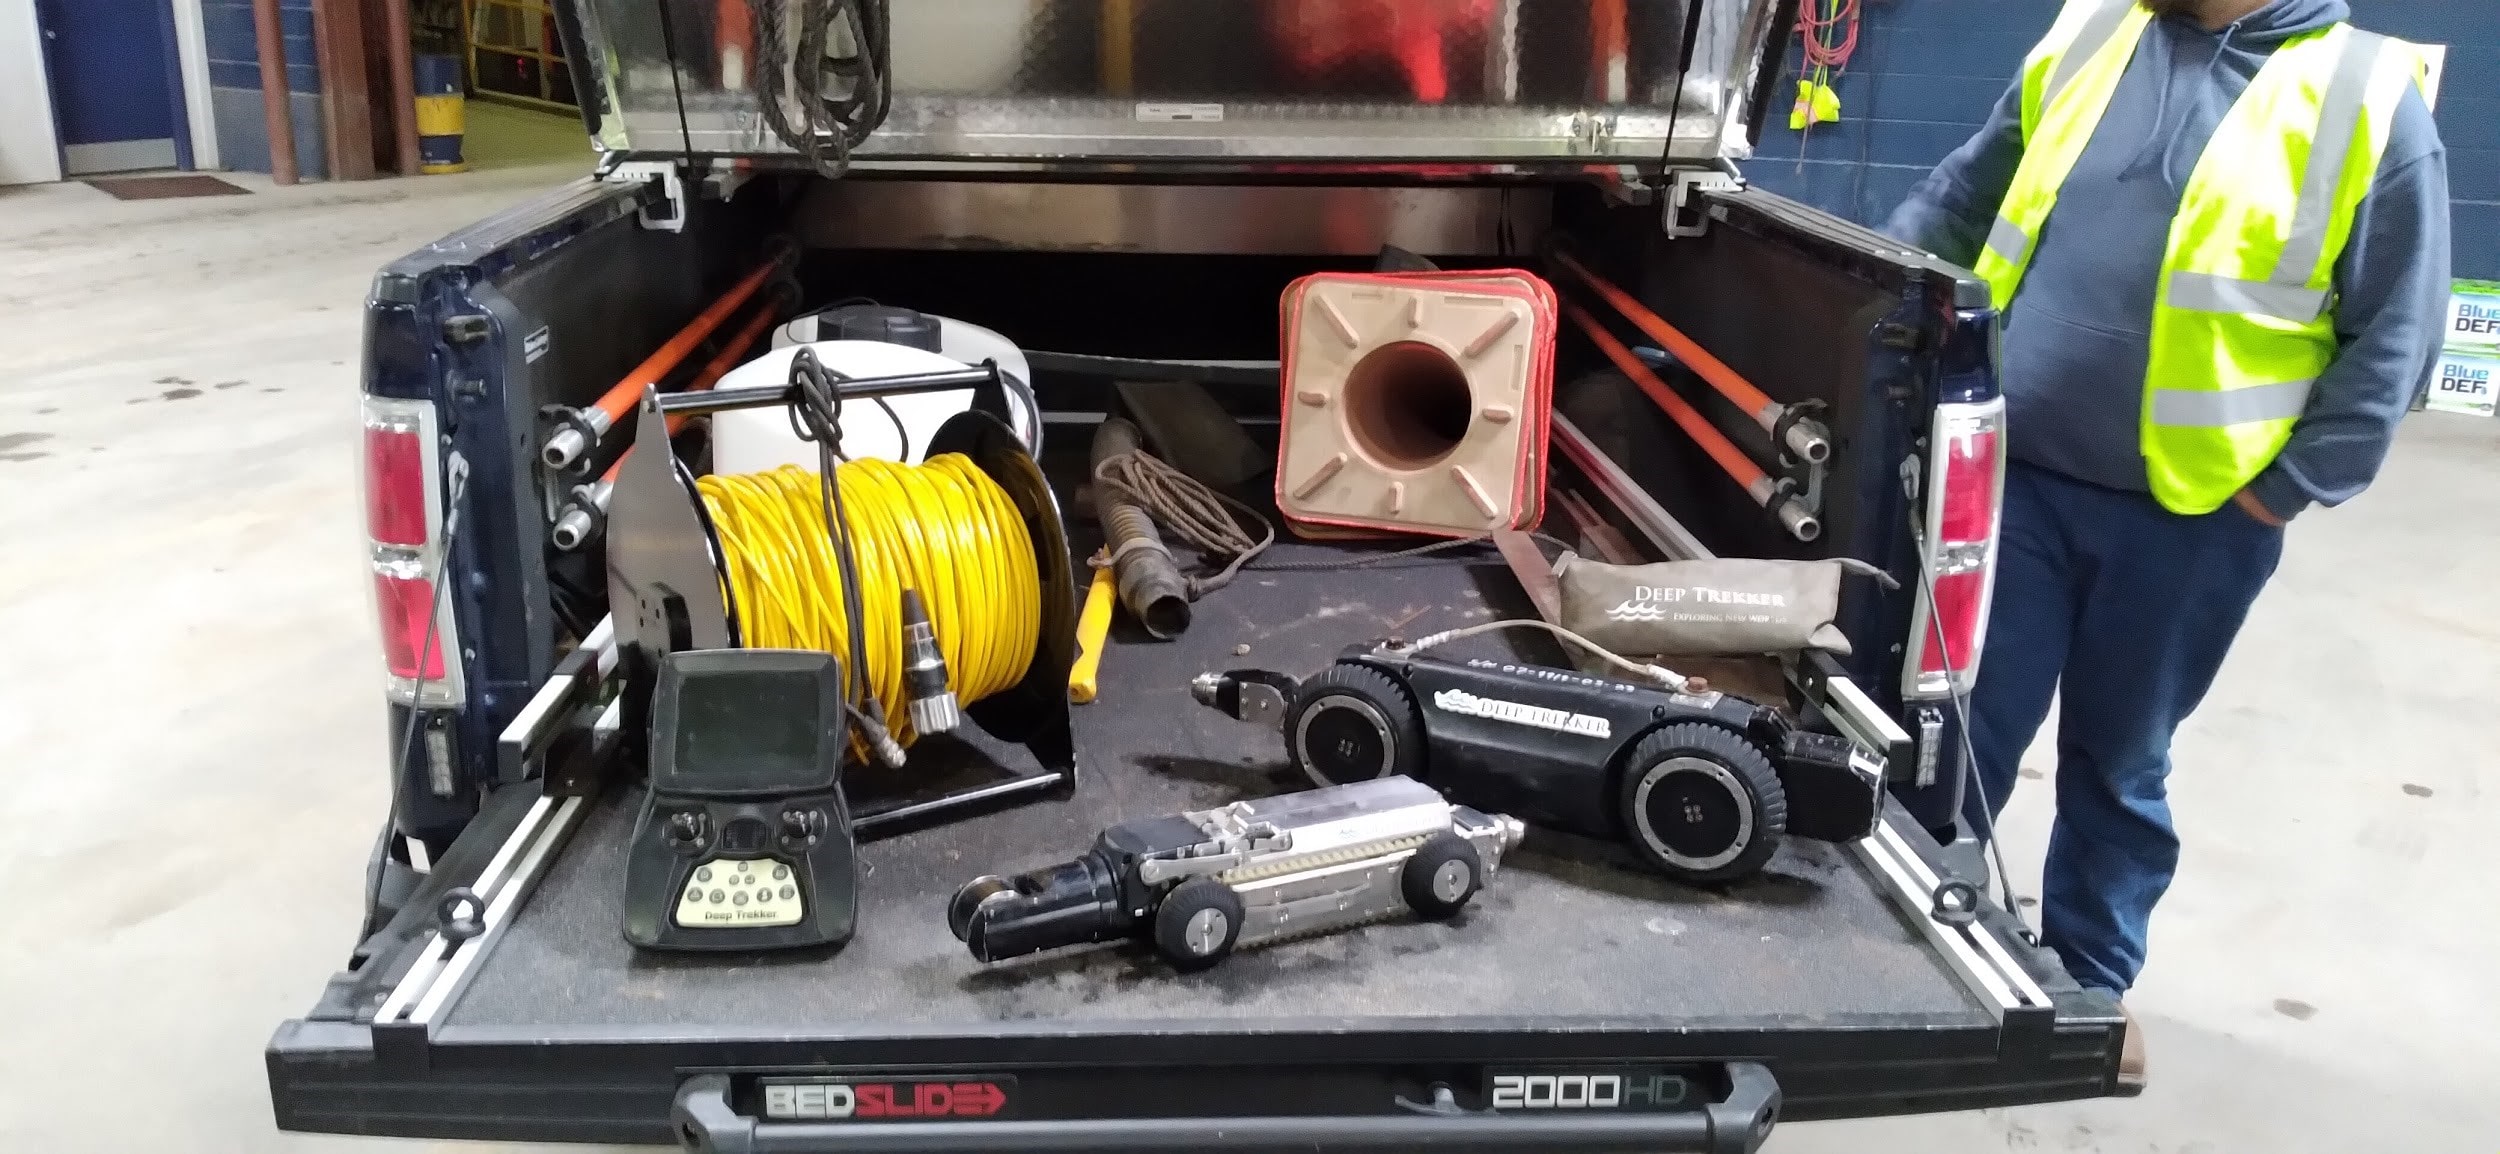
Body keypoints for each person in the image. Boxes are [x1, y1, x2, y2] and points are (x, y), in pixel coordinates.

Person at [1883, 0, 2449, 1083]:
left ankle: (2088, 983)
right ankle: (1906, 949)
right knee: (1954, 724)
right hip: (2015, 480)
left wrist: (2284, 490)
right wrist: (1869, 301)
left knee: (2121, 753)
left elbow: (2397, 333)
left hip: (2192, 516)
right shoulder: (2091, 31)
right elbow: (1965, 195)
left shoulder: (2367, 96)